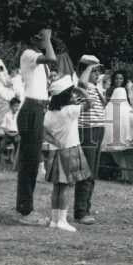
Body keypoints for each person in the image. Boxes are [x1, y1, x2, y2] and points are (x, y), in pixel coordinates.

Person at [15, 24, 56, 225]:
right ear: (33, 38)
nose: (45, 40)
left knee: (31, 161)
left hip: (38, 108)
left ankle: (26, 207)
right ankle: (25, 210)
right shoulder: (28, 54)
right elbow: (52, 57)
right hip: (31, 108)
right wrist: (47, 38)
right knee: (29, 162)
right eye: (41, 37)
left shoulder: (39, 60)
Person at [43, 75, 93, 231]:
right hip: (70, 150)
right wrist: (81, 91)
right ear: (66, 95)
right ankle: (62, 220)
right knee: (64, 188)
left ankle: (54, 219)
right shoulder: (71, 111)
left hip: (57, 151)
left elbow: (43, 131)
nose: (73, 95)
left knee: (57, 188)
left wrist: (55, 141)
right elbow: (89, 103)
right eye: (71, 93)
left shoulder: (49, 113)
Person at [73, 54, 107, 225]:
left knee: (92, 172)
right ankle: (80, 211)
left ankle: (85, 206)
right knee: (86, 172)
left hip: (98, 129)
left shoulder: (95, 86)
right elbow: (81, 85)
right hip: (87, 130)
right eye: (94, 70)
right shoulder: (80, 84)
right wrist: (88, 68)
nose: (97, 73)